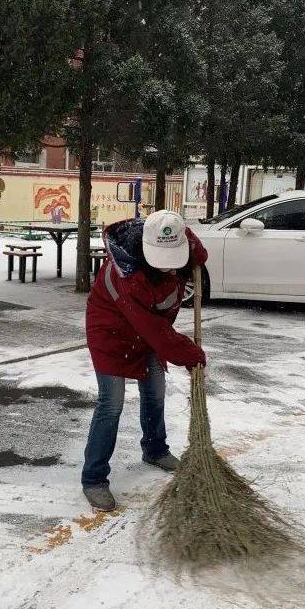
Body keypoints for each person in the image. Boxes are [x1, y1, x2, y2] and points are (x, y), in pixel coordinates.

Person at [82, 209, 208, 511]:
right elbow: (156, 332)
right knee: (111, 403)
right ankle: (94, 479)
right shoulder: (127, 275)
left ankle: (154, 449)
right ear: (147, 248)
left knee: (155, 390)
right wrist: (190, 354)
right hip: (110, 333)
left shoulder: (175, 234)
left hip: (149, 330)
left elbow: (197, 250)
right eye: (162, 263)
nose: (168, 269)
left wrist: (196, 258)